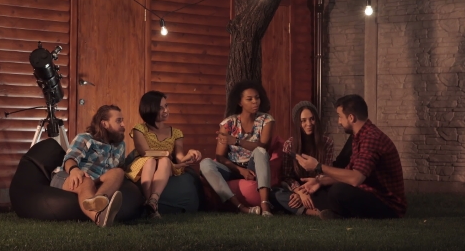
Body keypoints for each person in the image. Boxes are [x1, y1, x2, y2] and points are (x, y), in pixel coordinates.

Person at [296, 94, 407, 219]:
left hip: (387, 203)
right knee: (318, 191)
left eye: (340, 117)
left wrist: (318, 167)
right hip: (367, 191)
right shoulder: (358, 136)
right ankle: (337, 212)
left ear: (351, 118)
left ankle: (340, 213)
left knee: (338, 191)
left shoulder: (371, 138)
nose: (339, 122)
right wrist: (320, 181)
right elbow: (348, 172)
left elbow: (355, 178)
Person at [199, 80, 275, 216]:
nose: (255, 102)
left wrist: (236, 141)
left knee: (260, 151)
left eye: (257, 98)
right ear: (240, 102)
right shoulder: (228, 123)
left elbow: (264, 146)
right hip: (232, 167)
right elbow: (220, 157)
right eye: (249, 99)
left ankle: (265, 205)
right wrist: (240, 171)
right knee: (205, 163)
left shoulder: (266, 120)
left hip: (253, 165)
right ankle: (240, 207)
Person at [124, 91, 202, 218]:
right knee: (151, 160)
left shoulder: (176, 132)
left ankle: (152, 201)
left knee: (165, 161)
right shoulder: (139, 129)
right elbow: (145, 152)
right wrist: (165, 154)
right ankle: (153, 208)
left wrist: (190, 154)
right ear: (150, 109)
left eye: (166, 106)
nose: (166, 110)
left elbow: (179, 157)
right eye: (160, 108)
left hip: (166, 166)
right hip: (143, 163)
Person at [50, 105, 126, 227]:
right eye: (119, 121)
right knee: (86, 182)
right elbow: (70, 158)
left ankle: (98, 200)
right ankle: (99, 218)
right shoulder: (85, 138)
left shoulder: (120, 145)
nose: (123, 125)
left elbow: (122, 167)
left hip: (98, 180)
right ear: (104, 124)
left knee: (119, 172)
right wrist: (74, 170)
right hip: (70, 176)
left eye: (122, 120)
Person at [272, 101, 334, 216]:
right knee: (277, 193)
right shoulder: (289, 145)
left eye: (312, 119)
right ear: (297, 123)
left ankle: (306, 206)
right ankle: (312, 212)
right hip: (296, 188)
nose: (309, 124)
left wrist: (311, 189)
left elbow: (327, 173)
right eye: (303, 120)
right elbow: (287, 177)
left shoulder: (327, 143)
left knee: (332, 192)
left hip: (318, 186)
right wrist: (300, 192)